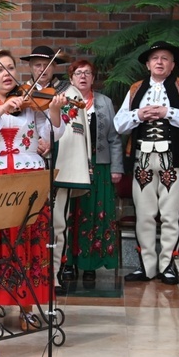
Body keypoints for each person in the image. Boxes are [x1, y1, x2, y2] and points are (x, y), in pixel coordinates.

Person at [0, 49, 66, 330]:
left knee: (26, 240)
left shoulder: (32, 102)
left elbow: (50, 135)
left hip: (25, 177)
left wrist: (54, 111)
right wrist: (4, 108)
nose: (6, 74)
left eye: (10, 68)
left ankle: (27, 307)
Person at [114, 41, 179, 286]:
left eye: (165, 58)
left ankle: (167, 265)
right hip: (142, 159)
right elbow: (119, 123)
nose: (160, 62)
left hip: (172, 160)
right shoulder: (135, 89)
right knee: (143, 213)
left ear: (172, 65)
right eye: (155, 58)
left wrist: (168, 113)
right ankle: (147, 266)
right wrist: (138, 115)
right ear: (147, 64)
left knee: (170, 214)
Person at [21, 45, 91, 294]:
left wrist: (51, 144)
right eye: (37, 65)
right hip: (27, 167)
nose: (42, 69)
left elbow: (74, 129)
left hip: (57, 165)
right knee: (27, 223)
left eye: (47, 65)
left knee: (57, 223)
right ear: (30, 67)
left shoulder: (69, 92)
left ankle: (52, 275)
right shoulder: (20, 92)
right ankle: (27, 273)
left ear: (54, 67)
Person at [65, 60, 123, 283]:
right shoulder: (63, 101)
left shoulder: (105, 102)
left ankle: (90, 265)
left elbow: (114, 138)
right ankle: (68, 263)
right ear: (71, 78)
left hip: (100, 166)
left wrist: (116, 167)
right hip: (72, 164)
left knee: (95, 214)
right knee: (71, 214)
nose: (83, 77)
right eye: (78, 73)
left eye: (88, 73)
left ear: (93, 78)